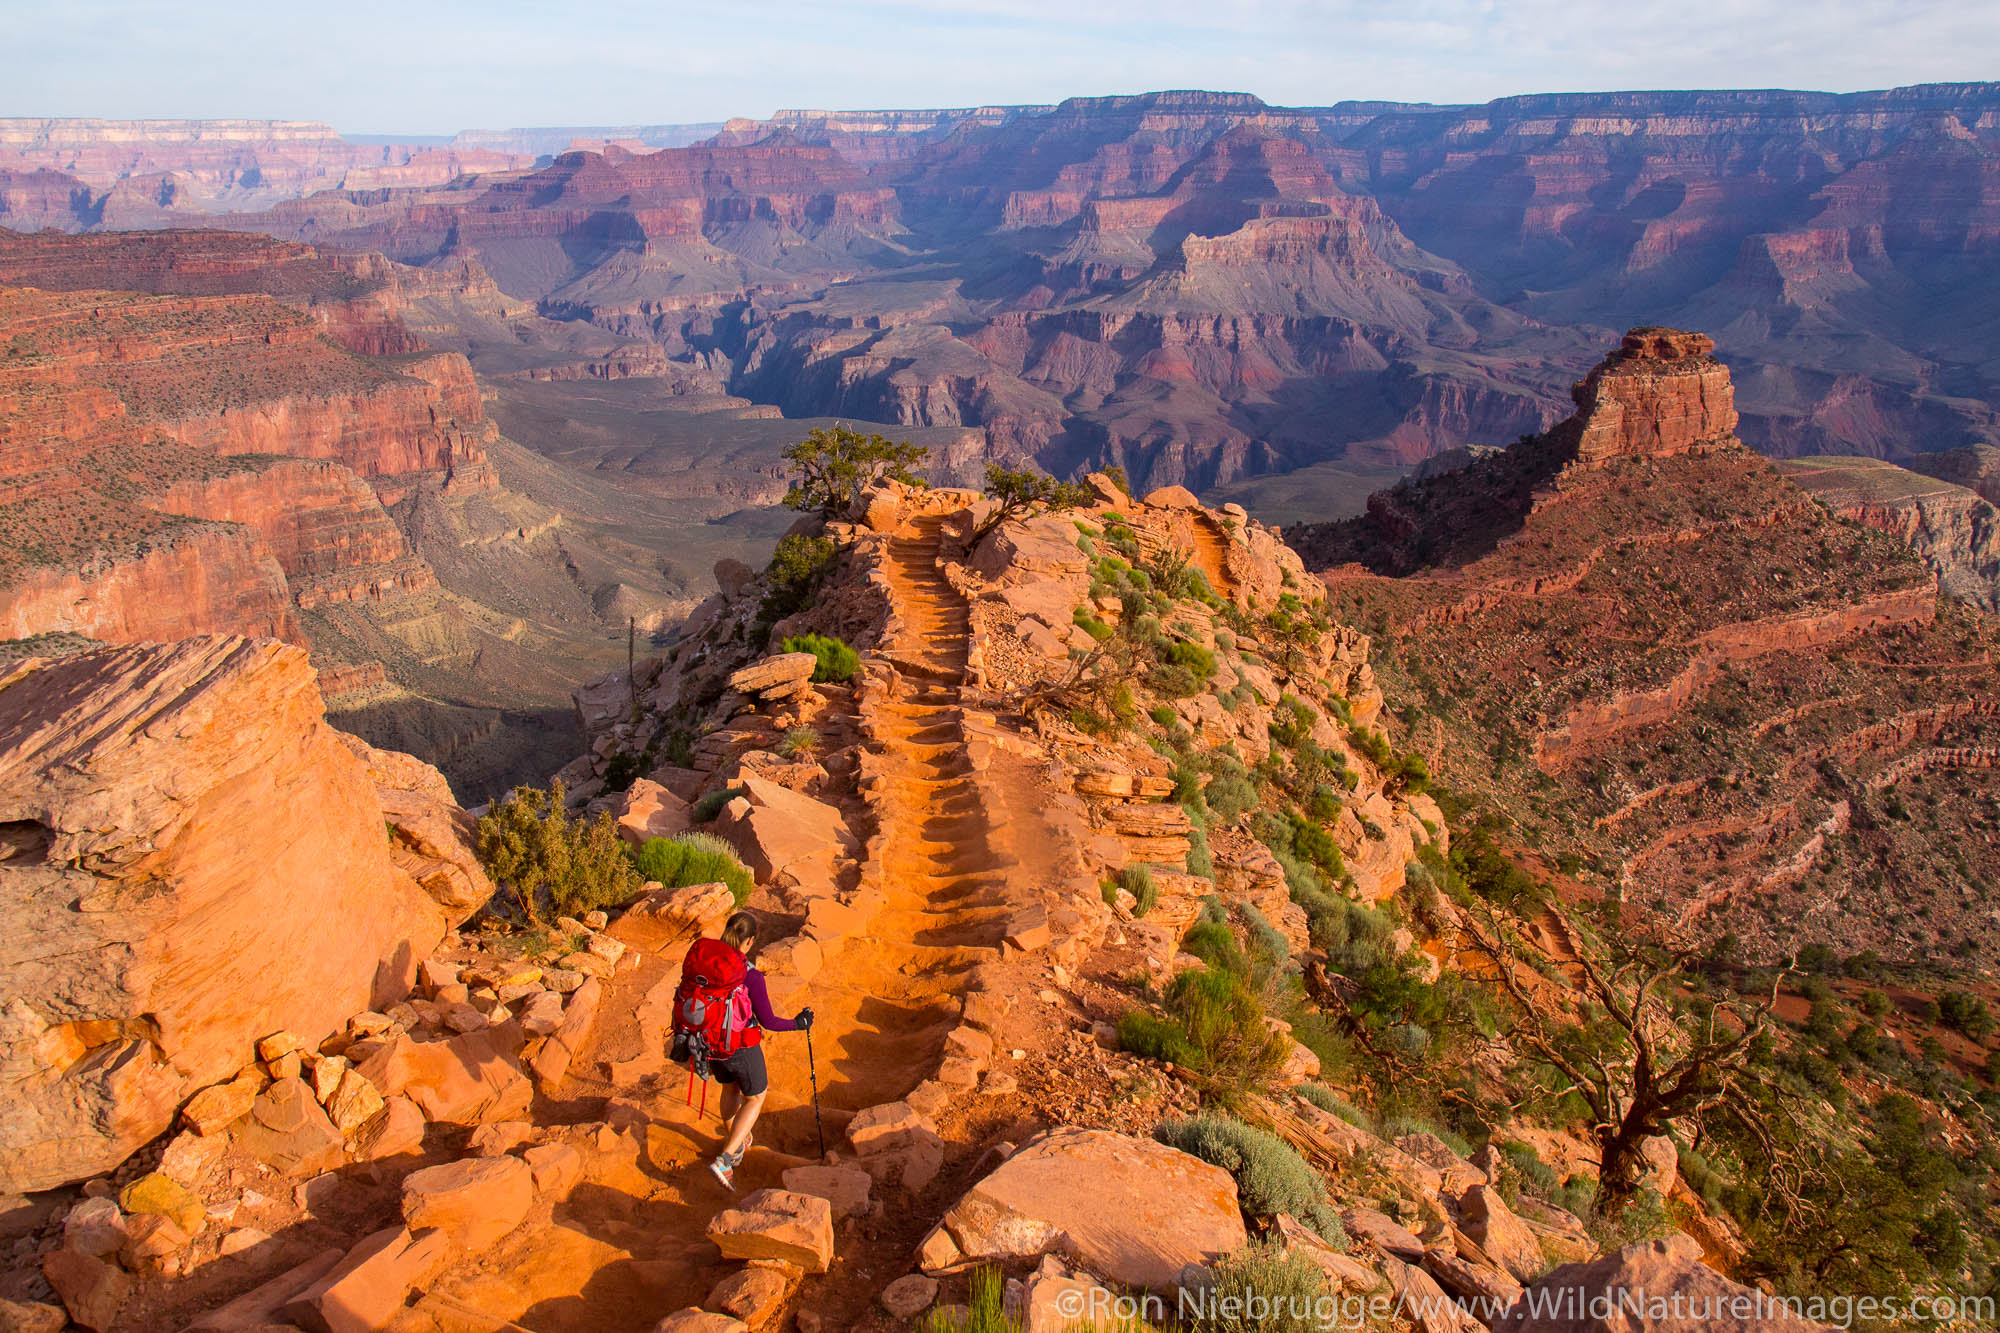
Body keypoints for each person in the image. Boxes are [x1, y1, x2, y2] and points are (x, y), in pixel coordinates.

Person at [669, 910, 814, 1189]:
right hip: (740, 1046)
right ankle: (725, 1159)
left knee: (730, 1089)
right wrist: (799, 1024)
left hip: (708, 1044)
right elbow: (769, 1021)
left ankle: (734, 1144)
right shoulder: (750, 976)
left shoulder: (706, 961)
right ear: (749, 942)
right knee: (756, 1097)